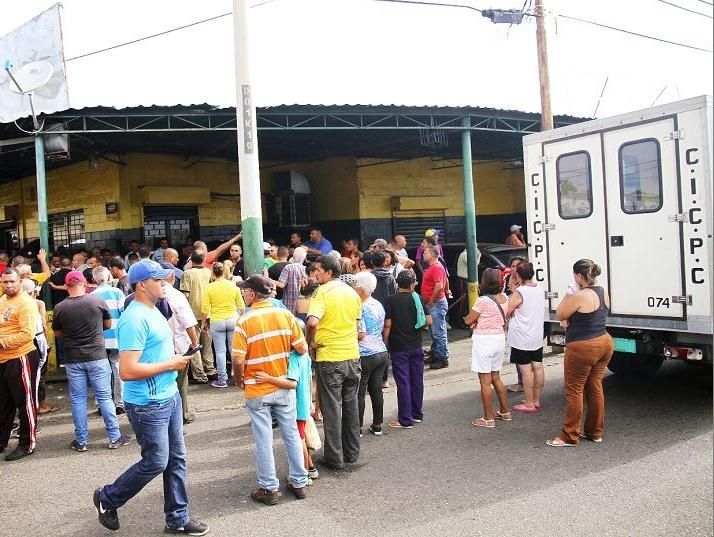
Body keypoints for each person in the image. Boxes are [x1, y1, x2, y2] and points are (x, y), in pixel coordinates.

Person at [93, 260, 208, 535]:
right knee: (157, 461)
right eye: (159, 280)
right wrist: (172, 365)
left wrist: (177, 359)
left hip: (168, 396)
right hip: (148, 403)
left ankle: (178, 518)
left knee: (176, 459)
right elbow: (128, 370)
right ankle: (107, 498)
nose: (165, 283)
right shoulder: (134, 318)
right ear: (142, 284)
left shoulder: (154, 308)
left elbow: (153, 353)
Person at [233, 275, 309, 505]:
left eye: (245, 291)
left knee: (263, 439)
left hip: (257, 389)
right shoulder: (286, 316)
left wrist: (240, 381)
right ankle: (299, 482)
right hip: (283, 386)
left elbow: (238, 361)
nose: (243, 294)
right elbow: (302, 348)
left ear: (253, 294)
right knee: (292, 435)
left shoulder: (244, 322)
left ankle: (269, 489)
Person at [52, 270, 131, 452]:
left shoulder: (60, 307)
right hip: (97, 355)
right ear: (84, 283)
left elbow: (57, 333)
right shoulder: (96, 301)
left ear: (66, 286)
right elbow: (108, 325)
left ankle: (81, 441)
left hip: (73, 358)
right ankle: (114, 437)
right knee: (105, 397)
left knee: (78, 400)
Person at [547, 260, 614, 447]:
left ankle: (569, 435)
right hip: (604, 341)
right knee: (595, 385)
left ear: (578, 276)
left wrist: (568, 293)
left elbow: (560, 313)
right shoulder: (602, 291)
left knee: (574, 389)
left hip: (583, 346)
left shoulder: (580, 295)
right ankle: (595, 432)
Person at [305, 254, 362, 470]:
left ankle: (334, 458)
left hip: (330, 357)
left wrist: (310, 343)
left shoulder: (322, 292)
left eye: (318, 269)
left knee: (332, 409)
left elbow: (311, 322)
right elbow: (356, 326)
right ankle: (352, 452)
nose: (315, 273)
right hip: (352, 356)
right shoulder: (352, 292)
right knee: (351, 406)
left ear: (329, 272)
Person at [0, 267, 40, 461]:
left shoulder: (26, 303)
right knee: (3, 403)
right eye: (5, 282)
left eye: (12, 282)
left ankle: (27, 444)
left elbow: (27, 334)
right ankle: (1, 442)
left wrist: (2, 342)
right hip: (3, 359)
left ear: (19, 281)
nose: (8, 285)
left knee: (25, 403)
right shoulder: (3, 300)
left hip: (20, 357)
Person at [463, 268, 510, 428]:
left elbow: (469, 320)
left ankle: (488, 418)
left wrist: (469, 320)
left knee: (484, 381)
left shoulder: (482, 300)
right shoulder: (504, 298)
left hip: (484, 341)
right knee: (496, 377)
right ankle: (505, 411)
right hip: (499, 339)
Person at [383, 270, 431, 429]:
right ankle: (417, 414)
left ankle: (405, 419)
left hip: (398, 347)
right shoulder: (419, 299)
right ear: (412, 284)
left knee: (403, 382)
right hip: (416, 345)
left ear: (397, 284)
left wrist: (385, 342)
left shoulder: (390, 301)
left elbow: (388, 324)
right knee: (417, 381)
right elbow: (428, 321)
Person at [507, 262, 546, 413]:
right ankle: (536, 399)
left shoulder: (520, 292)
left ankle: (529, 403)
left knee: (526, 371)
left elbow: (508, 310)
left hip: (521, 336)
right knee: (538, 366)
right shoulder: (539, 288)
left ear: (519, 275)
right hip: (536, 334)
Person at [353, 271, 389, 436]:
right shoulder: (378, 304)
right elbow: (381, 327)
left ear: (361, 289)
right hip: (380, 350)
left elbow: (361, 334)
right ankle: (377, 424)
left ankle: (358, 427)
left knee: (360, 391)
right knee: (376, 389)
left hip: (365, 352)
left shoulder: (361, 307)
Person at [164, 271, 200, 425]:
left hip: (160, 348)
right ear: (172, 277)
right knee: (180, 383)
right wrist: (195, 342)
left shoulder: (147, 295)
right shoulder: (176, 295)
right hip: (178, 345)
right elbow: (188, 322)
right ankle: (181, 415)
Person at [201, 262, 244, 388]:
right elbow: (241, 306)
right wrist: (240, 317)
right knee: (233, 350)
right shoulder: (233, 286)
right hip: (232, 319)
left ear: (213, 273)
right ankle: (238, 377)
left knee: (220, 351)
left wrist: (204, 323)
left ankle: (222, 380)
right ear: (225, 272)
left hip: (217, 321)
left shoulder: (209, 287)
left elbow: (205, 308)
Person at [92, 266, 127, 414]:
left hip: (99, 340)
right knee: (117, 369)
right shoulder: (117, 293)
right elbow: (125, 313)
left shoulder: (91, 296)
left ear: (94, 279)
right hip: (116, 338)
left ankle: (102, 404)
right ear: (108, 278)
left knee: (101, 372)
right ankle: (120, 403)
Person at [20, 279, 56, 415]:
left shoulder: (17, 303)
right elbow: (43, 324)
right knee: (39, 373)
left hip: (25, 341)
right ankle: (37, 405)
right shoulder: (36, 303)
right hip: (36, 338)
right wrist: (46, 343)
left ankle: (31, 406)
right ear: (35, 291)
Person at [180, 251, 217, 384]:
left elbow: (185, 295)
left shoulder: (187, 274)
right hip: (208, 313)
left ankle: (200, 374)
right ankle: (211, 369)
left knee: (195, 344)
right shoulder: (209, 272)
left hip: (193, 313)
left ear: (191, 260)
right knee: (207, 343)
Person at [421, 245, 450, 369]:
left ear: (432, 254)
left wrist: (432, 301)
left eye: (426, 253)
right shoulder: (433, 267)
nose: (423, 255)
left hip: (436, 303)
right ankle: (436, 353)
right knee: (434, 332)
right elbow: (444, 282)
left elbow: (439, 286)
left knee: (438, 332)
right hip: (433, 303)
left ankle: (442, 358)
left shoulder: (436, 267)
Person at [273, 246, 307, 314]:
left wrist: (268, 279)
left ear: (293, 256)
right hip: (301, 305)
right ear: (304, 258)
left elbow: (281, 284)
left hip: (288, 305)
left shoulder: (289, 267)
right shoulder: (305, 269)